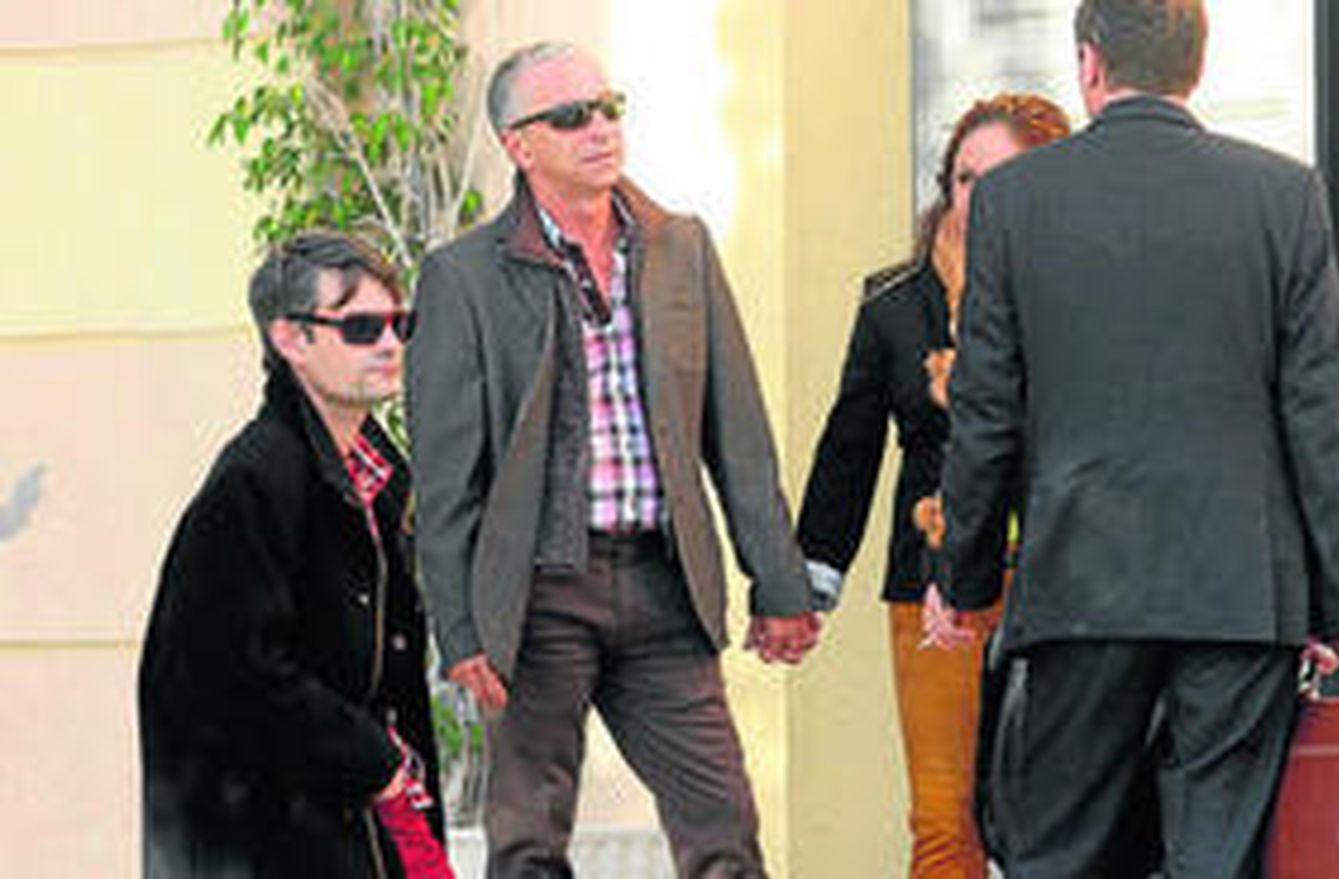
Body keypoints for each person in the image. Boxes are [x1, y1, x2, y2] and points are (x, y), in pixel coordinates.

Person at [926, 0, 1339, 875]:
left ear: (1089, 65)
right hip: (1241, 591)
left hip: (1079, 585)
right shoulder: (1284, 196)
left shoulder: (1016, 201)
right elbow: (1321, 419)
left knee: (1059, 852)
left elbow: (987, 413)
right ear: (1195, 67)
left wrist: (966, 576)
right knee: (1216, 854)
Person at [405, 42, 820, 878]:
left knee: (726, 834)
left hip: (666, 586)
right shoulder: (463, 278)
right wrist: (459, 627)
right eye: (570, 117)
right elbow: (446, 480)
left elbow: (737, 434)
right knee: (527, 845)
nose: (600, 128)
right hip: (536, 597)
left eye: (607, 107)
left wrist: (778, 582)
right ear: (520, 145)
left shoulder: (680, 246)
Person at [796, 94, 1070, 879]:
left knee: (1059, 816)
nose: (976, 197)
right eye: (963, 177)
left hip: (1060, 579)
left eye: (1001, 179)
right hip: (934, 580)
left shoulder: (1082, 295)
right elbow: (849, 449)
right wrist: (808, 582)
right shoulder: (895, 301)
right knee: (943, 821)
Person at [139, 233, 451, 877]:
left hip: (371, 822)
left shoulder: (381, 481)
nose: (391, 344)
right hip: (278, 838)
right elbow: (231, 673)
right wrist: (369, 760)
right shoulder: (254, 480)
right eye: (362, 327)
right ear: (291, 340)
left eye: (400, 323)